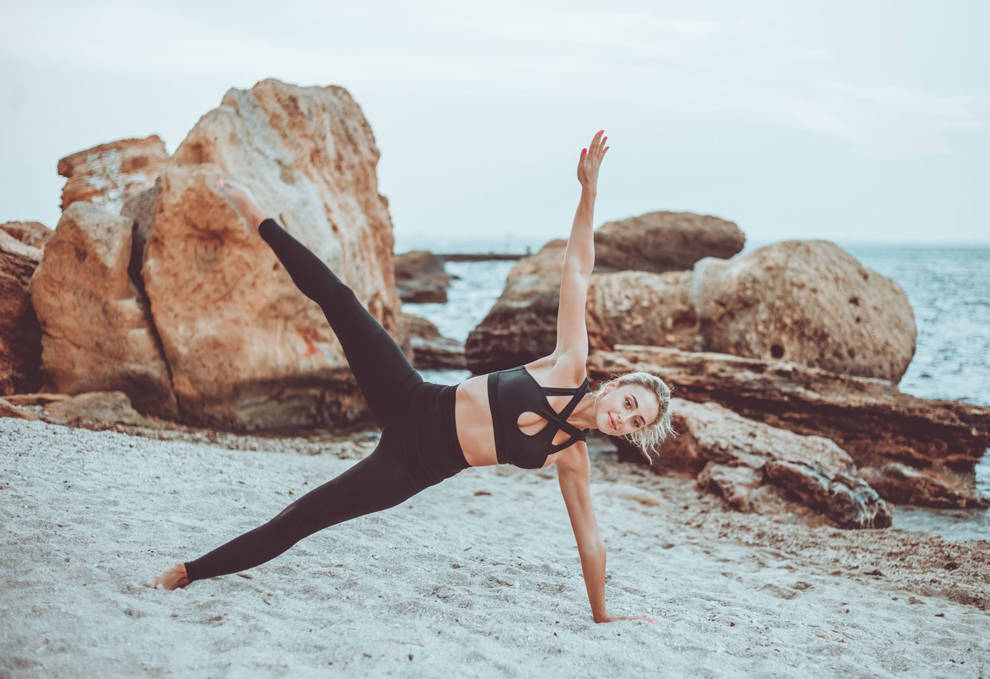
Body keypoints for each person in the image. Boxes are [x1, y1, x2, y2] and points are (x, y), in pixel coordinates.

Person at [148, 130, 674, 623]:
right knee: (340, 300)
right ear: (614, 385)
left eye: (634, 420)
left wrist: (604, 615)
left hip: (413, 468)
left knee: (304, 518)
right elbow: (578, 272)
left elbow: (590, 540)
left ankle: (188, 571)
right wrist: (589, 194)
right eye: (629, 401)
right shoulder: (569, 364)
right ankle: (255, 212)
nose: (623, 415)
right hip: (412, 399)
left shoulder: (572, 456)